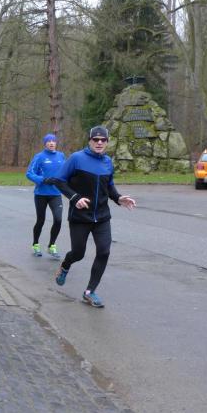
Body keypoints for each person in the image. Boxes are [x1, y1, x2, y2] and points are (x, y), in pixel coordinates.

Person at [49, 126, 136, 308]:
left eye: (103, 140)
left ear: (107, 142)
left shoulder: (107, 162)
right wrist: (75, 198)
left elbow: (109, 186)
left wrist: (118, 198)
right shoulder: (76, 158)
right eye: (95, 139)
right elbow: (59, 181)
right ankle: (65, 265)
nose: (99, 142)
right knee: (78, 253)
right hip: (80, 217)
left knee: (104, 252)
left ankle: (90, 292)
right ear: (89, 140)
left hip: (102, 217)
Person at [25, 133, 66, 258]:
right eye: (49, 141)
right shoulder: (39, 157)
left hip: (56, 194)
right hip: (41, 194)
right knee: (40, 220)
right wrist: (42, 179)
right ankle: (36, 244)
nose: (51, 143)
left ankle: (52, 245)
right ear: (45, 144)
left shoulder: (61, 156)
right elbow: (29, 173)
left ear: (56, 143)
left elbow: (66, 172)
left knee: (58, 220)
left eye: (53, 141)